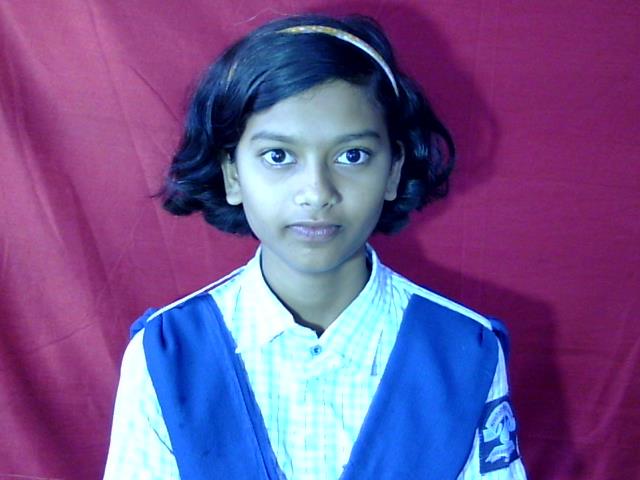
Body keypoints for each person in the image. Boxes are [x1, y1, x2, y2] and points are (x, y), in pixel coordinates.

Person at [104, 14, 527, 480]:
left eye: (352, 156)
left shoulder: (464, 352)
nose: (317, 192)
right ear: (232, 174)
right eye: (278, 156)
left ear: (392, 171)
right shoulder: (166, 355)